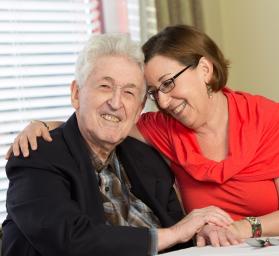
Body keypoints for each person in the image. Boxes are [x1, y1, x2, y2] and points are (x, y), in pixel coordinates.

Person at [7, 25, 279, 247]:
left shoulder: (265, 117)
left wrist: (237, 229)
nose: (164, 101)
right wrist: (44, 124)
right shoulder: (162, 128)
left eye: (167, 84)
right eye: (154, 92)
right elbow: (105, 120)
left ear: (205, 70)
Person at [1, 33, 235, 256]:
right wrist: (173, 234)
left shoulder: (147, 159)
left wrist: (199, 232)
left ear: (138, 111)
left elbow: (180, 237)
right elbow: (70, 240)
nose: (115, 102)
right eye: (105, 86)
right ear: (76, 94)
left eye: (129, 92)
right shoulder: (36, 157)